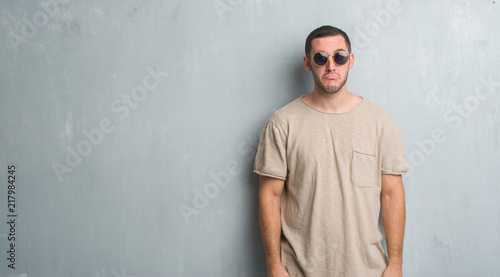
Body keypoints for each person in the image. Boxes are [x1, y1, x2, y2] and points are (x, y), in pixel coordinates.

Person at [254, 25, 409, 277]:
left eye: (339, 57)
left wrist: (396, 264)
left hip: (368, 270)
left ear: (351, 60)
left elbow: (392, 194)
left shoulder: (380, 121)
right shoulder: (282, 122)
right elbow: (269, 196)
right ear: (307, 63)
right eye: (320, 58)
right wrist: (273, 265)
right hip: (300, 270)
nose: (331, 66)